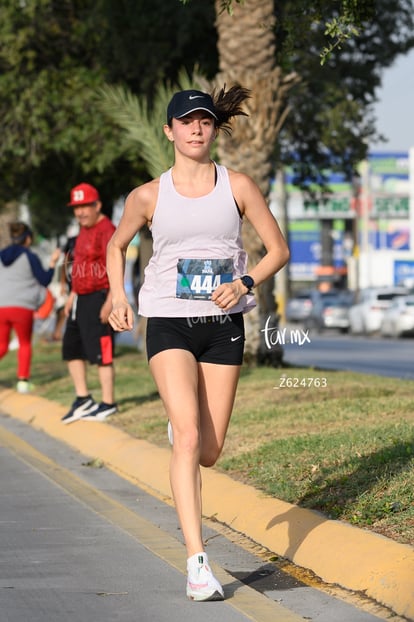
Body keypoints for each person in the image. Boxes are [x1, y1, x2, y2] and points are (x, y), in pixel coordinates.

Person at [106, 87, 290, 601]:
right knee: (188, 439)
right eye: (185, 122)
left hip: (223, 323)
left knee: (208, 451)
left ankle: (181, 426)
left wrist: (246, 282)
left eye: (204, 122)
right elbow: (116, 245)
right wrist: (117, 294)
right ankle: (197, 561)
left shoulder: (238, 186)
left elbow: (277, 250)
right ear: (169, 130)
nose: (195, 129)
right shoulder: (147, 195)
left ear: (214, 129)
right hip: (168, 319)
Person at [61, 183, 117, 424]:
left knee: (101, 352)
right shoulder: (82, 229)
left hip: (100, 296)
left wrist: (111, 301)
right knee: (71, 348)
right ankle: (83, 398)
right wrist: (72, 294)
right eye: (77, 207)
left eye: (85, 206)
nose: (81, 212)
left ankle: (108, 403)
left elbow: (117, 267)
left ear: (98, 205)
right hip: (80, 297)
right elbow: (80, 264)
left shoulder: (108, 230)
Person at [0, 221, 61, 393]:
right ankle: (23, 382)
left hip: (1, 306)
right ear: (27, 239)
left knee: (2, 345)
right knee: (24, 343)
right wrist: (52, 263)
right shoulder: (29, 256)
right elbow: (45, 280)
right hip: (22, 306)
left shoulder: (0, 255)